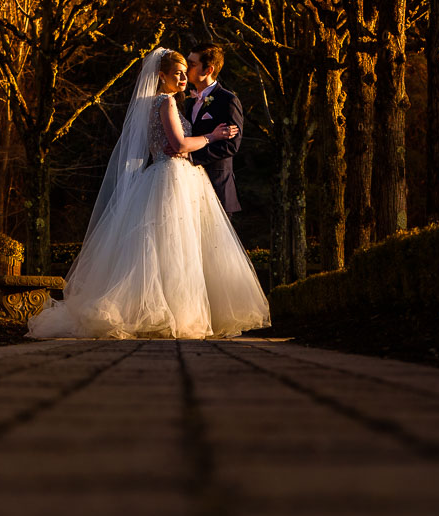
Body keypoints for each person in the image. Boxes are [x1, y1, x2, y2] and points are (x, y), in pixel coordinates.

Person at [26, 48, 270, 340]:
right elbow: (178, 146)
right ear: (161, 76)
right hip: (171, 177)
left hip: (178, 177)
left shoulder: (171, 102)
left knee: (173, 250)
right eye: (178, 72)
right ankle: (172, 315)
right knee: (170, 249)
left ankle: (176, 313)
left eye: (186, 70)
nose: (183, 77)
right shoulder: (165, 101)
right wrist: (211, 136)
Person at [185, 44, 242, 214]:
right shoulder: (188, 100)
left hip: (217, 187)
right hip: (189, 187)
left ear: (208, 70)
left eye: (192, 64)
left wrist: (191, 157)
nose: (186, 68)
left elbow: (231, 145)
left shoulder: (228, 100)